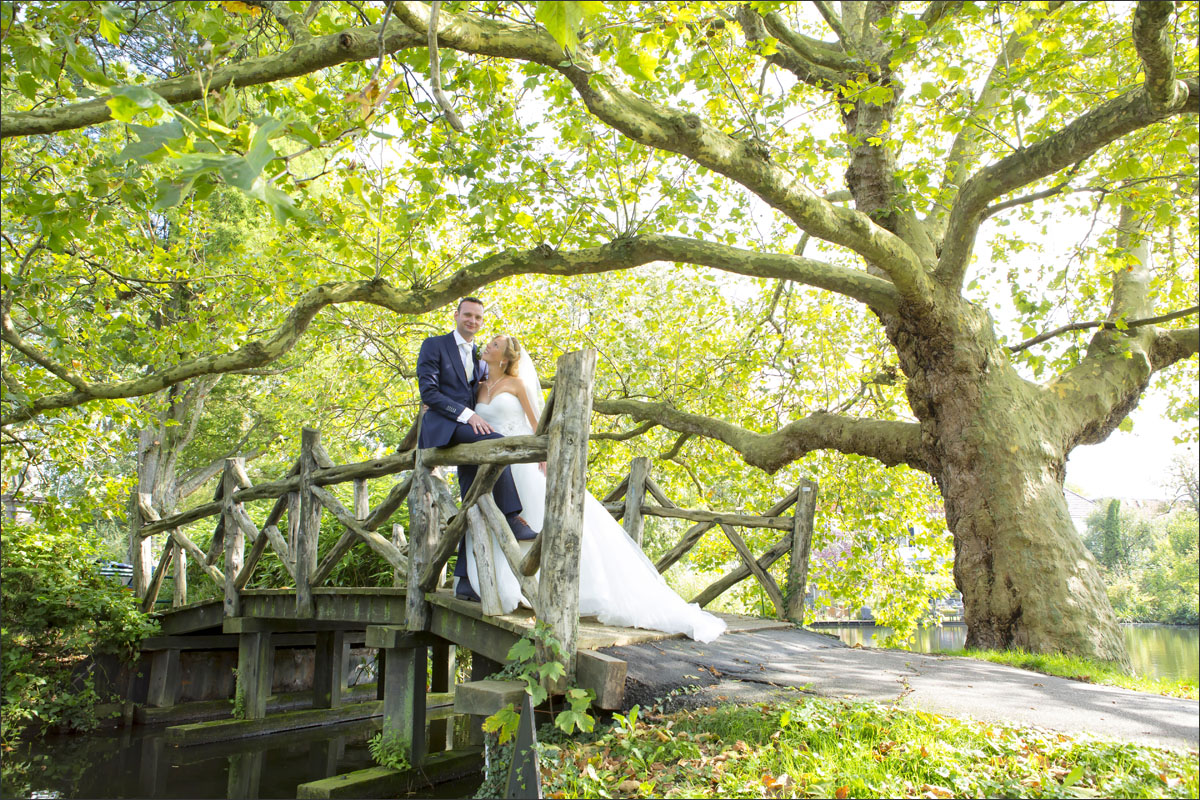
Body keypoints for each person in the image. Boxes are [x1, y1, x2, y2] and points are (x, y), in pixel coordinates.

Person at [463, 333, 726, 643]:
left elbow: (538, 425)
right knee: (496, 523)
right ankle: (507, 587)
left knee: (534, 522)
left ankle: (548, 588)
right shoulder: (478, 387)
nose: (487, 346)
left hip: (522, 465)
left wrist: (545, 458)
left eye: (494, 344)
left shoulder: (517, 384)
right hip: (493, 468)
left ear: (505, 358)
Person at [416, 298, 536, 602]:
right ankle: (511, 515)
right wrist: (469, 415)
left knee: (472, 504)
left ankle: (466, 580)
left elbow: (486, 390)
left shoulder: (480, 358)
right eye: (467, 315)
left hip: (469, 438)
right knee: (497, 442)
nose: (472, 320)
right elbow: (429, 392)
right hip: (446, 427)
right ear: (456, 315)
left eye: (478, 317)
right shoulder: (434, 345)